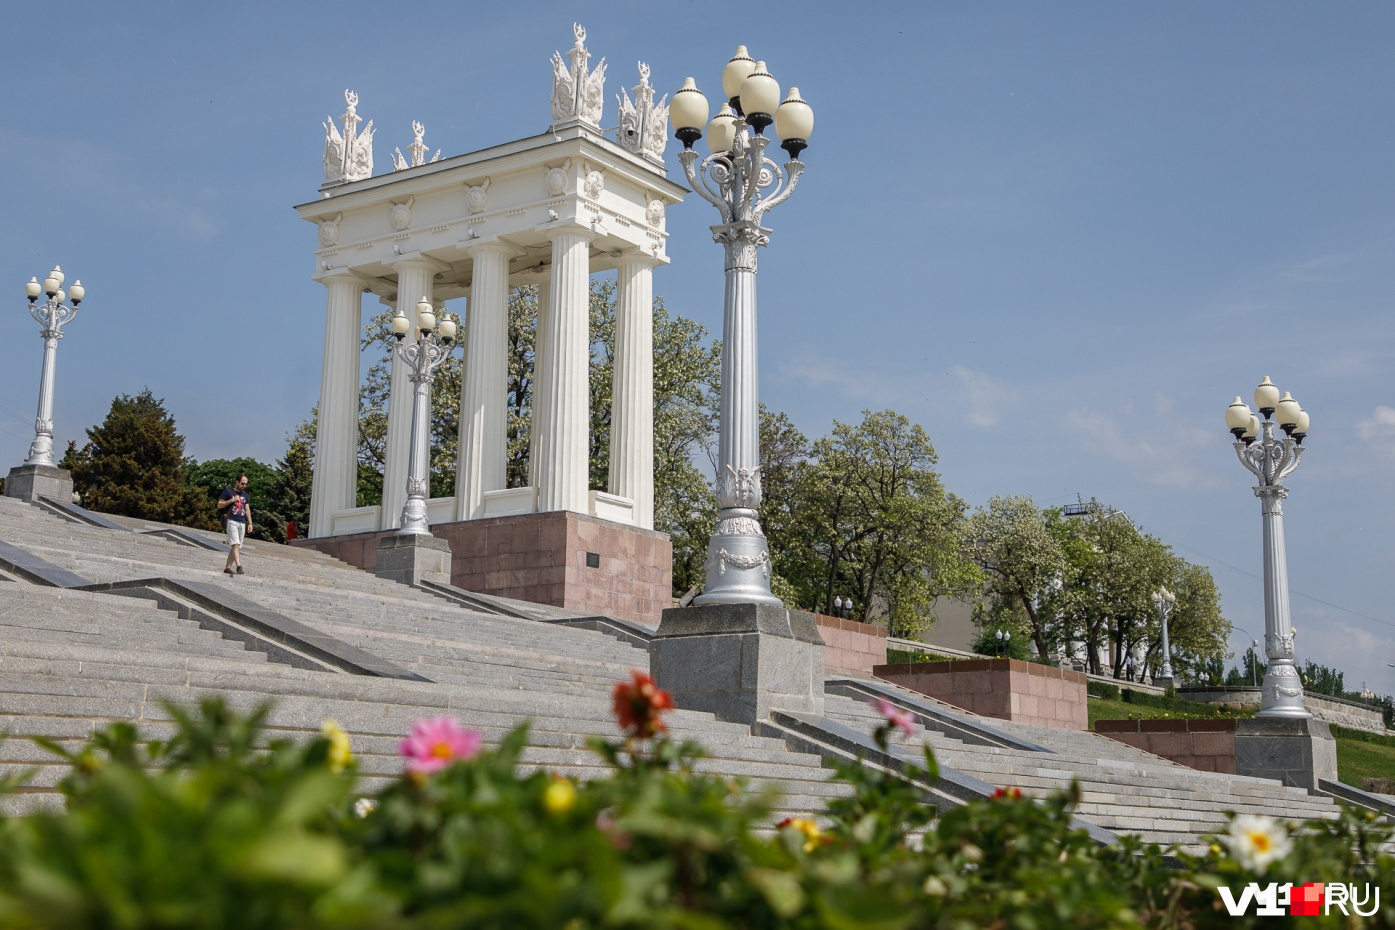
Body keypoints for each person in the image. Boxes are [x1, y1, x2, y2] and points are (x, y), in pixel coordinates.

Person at [217, 473, 253, 575]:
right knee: (235, 544)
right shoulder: (228, 491)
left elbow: (247, 510)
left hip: (242, 522)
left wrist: (250, 523)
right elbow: (219, 505)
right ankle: (238, 565)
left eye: (246, 484)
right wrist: (232, 500)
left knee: (237, 546)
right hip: (231, 520)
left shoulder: (245, 495)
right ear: (237, 482)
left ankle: (228, 567)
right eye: (242, 483)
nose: (244, 486)